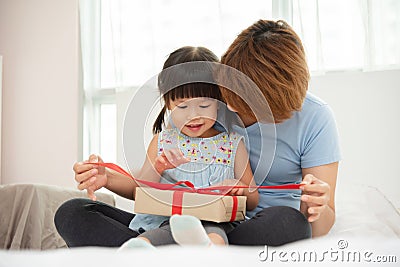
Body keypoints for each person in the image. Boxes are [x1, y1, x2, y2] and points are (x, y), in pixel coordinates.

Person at [54, 46, 258, 248]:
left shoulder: (232, 144)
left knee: (213, 231)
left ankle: (188, 251)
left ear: (219, 102)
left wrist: (238, 188)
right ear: (167, 102)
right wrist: (156, 168)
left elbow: (253, 198)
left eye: (204, 105)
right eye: (182, 106)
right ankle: (145, 249)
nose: (193, 115)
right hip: (162, 223)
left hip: (215, 223)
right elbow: (142, 190)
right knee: (72, 211)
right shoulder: (162, 141)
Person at [219, 19, 341, 246]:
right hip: (208, 215)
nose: (231, 106)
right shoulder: (210, 103)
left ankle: (213, 243)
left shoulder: (315, 118)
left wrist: (315, 208)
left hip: (269, 223)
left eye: (246, 100)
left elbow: (320, 227)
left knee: (289, 222)